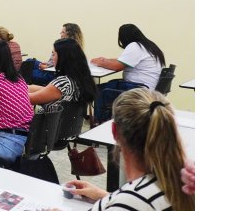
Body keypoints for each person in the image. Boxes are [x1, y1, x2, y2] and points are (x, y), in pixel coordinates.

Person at [65, 88, 194, 211]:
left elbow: (132, 204)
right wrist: (107, 197)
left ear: (114, 131)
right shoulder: (180, 182)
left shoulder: (129, 202)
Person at [27, 38, 96, 113]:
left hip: (49, 119)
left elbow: (29, 99)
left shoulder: (63, 83)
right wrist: (23, 88)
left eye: (53, 54)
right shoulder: (79, 79)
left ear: (62, 58)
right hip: (68, 119)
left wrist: (17, 92)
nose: (52, 58)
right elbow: (46, 90)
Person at [91, 24, 166, 89]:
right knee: (110, 84)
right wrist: (106, 60)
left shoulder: (135, 46)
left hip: (139, 89)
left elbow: (117, 66)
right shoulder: (149, 45)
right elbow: (122, 61)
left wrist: (100, 63)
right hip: (148, 88)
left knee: (97, 89)